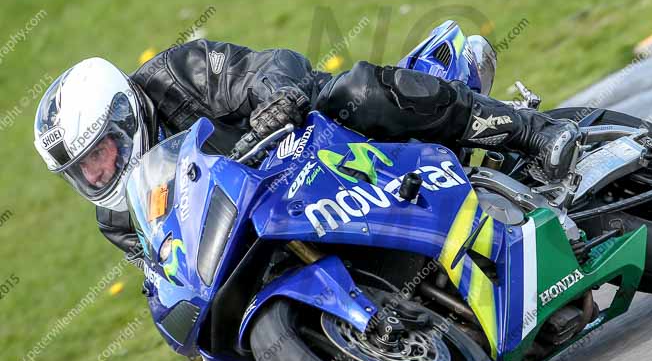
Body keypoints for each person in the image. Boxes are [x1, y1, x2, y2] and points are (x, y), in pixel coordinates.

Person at [33, 38, 581, 259]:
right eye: (83, 169)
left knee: (355, 91)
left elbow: (270, 66)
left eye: (101, 150)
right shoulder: (119, 217)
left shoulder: (176, 73)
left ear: (125, 116)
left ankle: (530, 132)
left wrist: (276, 100)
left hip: (309, 139)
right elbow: (166, 266)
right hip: (270, 214)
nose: (99, 171)